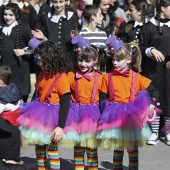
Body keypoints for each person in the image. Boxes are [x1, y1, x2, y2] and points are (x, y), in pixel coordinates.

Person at [97, 36, 159, 170]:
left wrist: (152, 105)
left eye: (119, 60)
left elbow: (154, 92)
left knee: (132, 149)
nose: (115, 63)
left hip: (131, 117)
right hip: (114, 115)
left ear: (129, 59)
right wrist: (103, 113)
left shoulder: (137, 78)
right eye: (113, 59)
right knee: (118, 148)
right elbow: (102, 96)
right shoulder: (107, 77)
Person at [17, 40, 71, 169]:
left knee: (52, 151)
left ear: (50, 59)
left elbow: (65, 104)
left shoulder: (62, 78)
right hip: (39, 117)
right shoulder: (42, 75)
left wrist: (60, 126)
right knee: (39, 149)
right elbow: (36, 96)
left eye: (41, 60)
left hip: (54, 119)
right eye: (38, 60)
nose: (38, 63)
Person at [61, 34, 105, 170]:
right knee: (78, 146)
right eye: (80, 60)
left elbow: (104, 99)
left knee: (91, 147)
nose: (83, 64)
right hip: (75, 113)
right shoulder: (71, 75)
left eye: (87, 61)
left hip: (93, 114)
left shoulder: (100, 77)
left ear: (95, 60)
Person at [139, 0, 170, 146]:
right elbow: (141, 46)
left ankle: (168, 132)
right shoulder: (149, 26)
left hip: (168, 71)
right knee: (155, 99)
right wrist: (151, 50)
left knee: (168, 99)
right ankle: (155, 132)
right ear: (162, 8)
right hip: (153, 70)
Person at [32, 0, 78, 72]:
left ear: (66, 2)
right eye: (55, 2)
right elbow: (48, 41)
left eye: (61, 2)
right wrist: (43, 37)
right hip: (51, 58)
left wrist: (75, 38)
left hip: (67, 57)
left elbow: (76, 38)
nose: (58, 5)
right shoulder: (47, 17)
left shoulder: (72, 17)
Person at [0, 3, 33, 103]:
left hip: (20, 71)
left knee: (19, 102)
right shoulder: (1, 29)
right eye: (5, 14)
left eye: (11, 15)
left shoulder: (23, 29)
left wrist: (24, 51)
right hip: (5, 70)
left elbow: (36, 48)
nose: (7, 17)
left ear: (16, 15)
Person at [79, 4, 108, 73]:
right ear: (93, 17)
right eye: (100, 15)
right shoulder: (82, 34)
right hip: (87, 72)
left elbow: (107, 53)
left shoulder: (103, 34)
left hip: (100, 72)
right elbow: (80, 53)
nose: (102, 17)